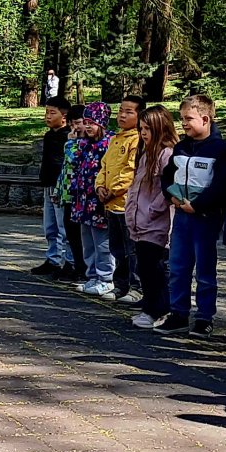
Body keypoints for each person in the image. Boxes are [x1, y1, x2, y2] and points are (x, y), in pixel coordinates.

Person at [156, 94, 226, 336]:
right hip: (182, 216)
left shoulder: (221, 150)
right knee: (178, 266)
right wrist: (171, 196)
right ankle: (178, 313)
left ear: (206, 119)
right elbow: (167, 176)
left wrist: (199, 206)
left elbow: (221, 186)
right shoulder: (180, 147)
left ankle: (204, 317)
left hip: (205, 218)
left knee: (205, 270)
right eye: (182, 119)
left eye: (188, 119)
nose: (184, 124)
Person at [125, 105, 177, 329]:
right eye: (141, 128)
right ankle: (150, 307)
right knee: (144, 267)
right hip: (140, 221)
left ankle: (158, 309)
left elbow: (167, 189)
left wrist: (152, 210)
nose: (143, 133)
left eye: (147, 128)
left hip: (156, 223)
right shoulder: (147, 153)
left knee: (153, 268)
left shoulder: (166, 154)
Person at [97, 96, 143, 302]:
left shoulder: (137, 139)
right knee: (117, 248)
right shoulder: (116, 139)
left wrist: (113, 190)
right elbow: (104, 166)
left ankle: (136, 287)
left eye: (129, 112)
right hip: (111, 205)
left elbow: (130, 170)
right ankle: (120, 285)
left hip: (127, 204)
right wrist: (100, 186)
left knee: (132, 249)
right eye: (120, 111)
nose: (122, 115)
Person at [68, 102, 115, 296]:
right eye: (85, 122)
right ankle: (92, 276)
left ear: (101, 123)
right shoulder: (83, 143)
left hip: (99, 200)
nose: (87, 126)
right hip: (83, 200)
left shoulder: (110, 142)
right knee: (87, 241)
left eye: (92, 123)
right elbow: (73, 162)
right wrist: (72, 142)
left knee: (102, 242)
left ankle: (106, 278)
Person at [31, 96, 75, 279]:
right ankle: (53, 259)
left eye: (52, 113)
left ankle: (71, 262)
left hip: (62, 187)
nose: (47, 117)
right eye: (46, 113)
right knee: (50, 226)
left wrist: (61, 185)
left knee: (64, 226)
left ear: (64, 117)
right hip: (49, 183)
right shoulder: (49, 135)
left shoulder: (69, 136)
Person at [56, 105, 88, 280]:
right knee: (71, 234)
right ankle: (76, 265)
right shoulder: (73, 141)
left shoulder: (82, 144)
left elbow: (75, 159)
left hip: (80, 196)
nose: (76, 127)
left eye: (79, 123)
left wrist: (70, 143)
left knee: (80, 235)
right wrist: (58, 190)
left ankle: (83, 268)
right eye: (72, 123)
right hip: (68, 195)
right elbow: (65, 169)